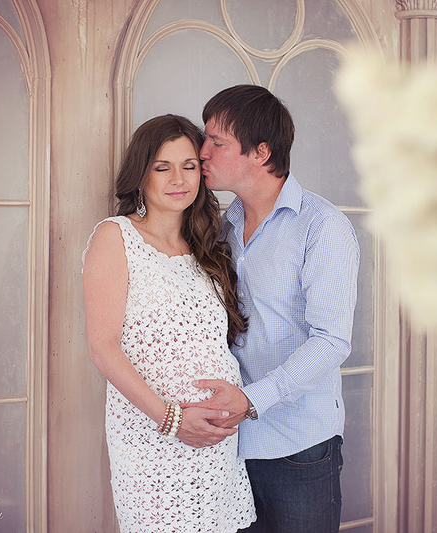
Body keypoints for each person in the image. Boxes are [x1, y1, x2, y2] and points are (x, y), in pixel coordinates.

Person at [185, 85, 360, 533]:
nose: (202, 152)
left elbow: (331, 342)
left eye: (217, 142)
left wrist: (251, 400)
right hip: (228, 446)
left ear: (261, 152)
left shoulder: (322, 227)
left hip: (299, 446)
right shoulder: (222, 227)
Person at [82, 114, 256, 533]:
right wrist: (172, 420)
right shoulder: (116, 237)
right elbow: (103, 347)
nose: (179, 179)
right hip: (152, 439)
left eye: (189, 166)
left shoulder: (207, 246)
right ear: (141, 175)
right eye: (163, 167)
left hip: (216, 445)